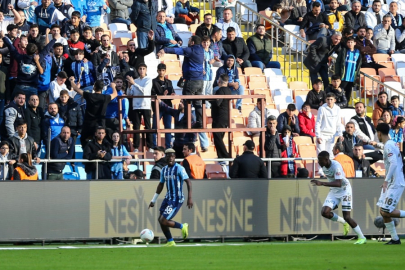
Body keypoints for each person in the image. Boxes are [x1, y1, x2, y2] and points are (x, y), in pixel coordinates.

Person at [310, 151, 366, 244]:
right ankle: (343, 222)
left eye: (320, 160)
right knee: (324, 212)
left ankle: (361, 237)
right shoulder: (323, 166)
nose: (318, 162)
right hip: (334, 191)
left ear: (327, 159)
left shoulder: (336, 166)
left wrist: (322, 183)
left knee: (347, 216)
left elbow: (339, 183)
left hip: (344, 190)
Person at [148, 148, 192, 247]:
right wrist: (153, 200)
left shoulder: (179, 168)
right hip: (168, 198)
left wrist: (189, 198)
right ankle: (170, 241)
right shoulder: (164, 170)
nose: (171, 158)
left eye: (172, 156)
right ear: (166, 157)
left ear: (175, 157)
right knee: (161, 220)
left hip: (177, 199)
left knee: (164, 220)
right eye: (169, 156)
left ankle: (182, 226)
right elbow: (161, 185)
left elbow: (188, 182)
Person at [159, 35, 204, 128]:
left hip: (191, 80)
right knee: (198, 103)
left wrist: (165, 50)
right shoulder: (201, 50)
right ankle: (200, 122)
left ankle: (187, 122)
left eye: (190, 40)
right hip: (200, 81)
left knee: (186, 102)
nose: (188, 41)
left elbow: (178, 51)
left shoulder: (190, 50)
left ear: (192, 43)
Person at [375, 123, 405, 244]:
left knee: (386, 211)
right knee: (383, 211)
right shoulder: (391, 144)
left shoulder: (388, 146)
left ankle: (395, 238)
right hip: (393, 182)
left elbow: (393, 163)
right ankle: (395, 239)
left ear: (379, 133)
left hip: (395, 183)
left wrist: (386, 181)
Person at [69, 77, 117, 147]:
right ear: (102, 88)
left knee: (84, 140)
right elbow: (115, 94)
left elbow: (76, 89)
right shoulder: (105, 97)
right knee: (100, 142)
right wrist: (113, 87)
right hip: (100, 124)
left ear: (94, 87)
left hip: (88, 124)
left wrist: (71, 81)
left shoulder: (89, 96)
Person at [127, 64, 153, 151]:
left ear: (146, 70)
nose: (142, 70)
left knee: (148, 126)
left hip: (146, 105)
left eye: (143, 69)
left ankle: (150, 146)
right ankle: (136, 146)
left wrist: (134, 84)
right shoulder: (135, 80)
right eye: (140, 69)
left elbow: (144, 92)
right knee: (136, 127)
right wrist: (130, 86)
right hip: (136, 106)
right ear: (138, 70)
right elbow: (129, 94)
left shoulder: (148, 80)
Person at [315, 92, 343, 176]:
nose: (329, 101)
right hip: (322, 134)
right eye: (328, 99)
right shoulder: (322, 108)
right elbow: (318, 123)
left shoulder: (337, 109)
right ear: (325, 100)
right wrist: (318, 136)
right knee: (321, 153)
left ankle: (330, 171)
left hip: (332, 135)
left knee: (330, 154)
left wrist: (340, 134)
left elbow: (338, 123)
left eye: (331, 99)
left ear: (334, 100)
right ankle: (321, 171)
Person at [151, 64, 174, 149]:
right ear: (157, 71)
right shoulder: (153, 81)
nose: (161, 72)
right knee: (154, 127)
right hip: (158, 107)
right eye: (160, 70)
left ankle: (168, 146)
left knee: (168, 127)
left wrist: (172, 95)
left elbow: (172, 93)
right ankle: (154, 146)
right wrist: (162, 95)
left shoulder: (169, 82)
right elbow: (153, 95)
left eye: (163, 70)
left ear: (165, 71)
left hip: (167, 107)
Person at [211, 73, 232, 159]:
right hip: (226, 117)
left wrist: (209, 100)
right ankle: (221, 156)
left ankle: (225, 155)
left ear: (219, 81)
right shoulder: (229, 91)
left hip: (219, 117)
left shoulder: (220, 91)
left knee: (217, 138)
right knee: (219, 138)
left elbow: (217, 103)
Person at [334, 37, 362, 102]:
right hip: (343, 75)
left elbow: (358, 64)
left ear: (355, 43)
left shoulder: (357, 52)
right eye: (348, 42)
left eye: (351, 42)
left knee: (349, 91)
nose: (350, 44)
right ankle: (339, 102)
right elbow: (338, 62)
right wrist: (338, 73)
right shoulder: (344, 51)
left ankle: (346, 104)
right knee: (340, 90)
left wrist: (357, 74)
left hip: (352, 76)